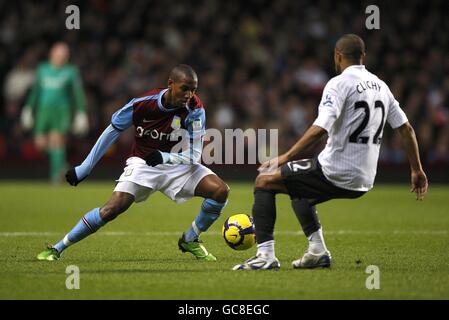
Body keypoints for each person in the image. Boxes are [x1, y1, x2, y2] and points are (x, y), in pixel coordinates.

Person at [233, 34, 428, 271]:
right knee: (298, 189)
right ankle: (317, 252)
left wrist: (285, 156)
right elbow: (406, 129)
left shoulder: (338, 83)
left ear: (337, 56)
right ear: (363, 57)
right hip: (364, 179)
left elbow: (320, 128)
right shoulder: (382, 86)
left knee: (264, 181)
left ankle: (265, 256)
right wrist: (416, 169)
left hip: (335, 171)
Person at [37, 64, 229, 261]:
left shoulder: (195, 109)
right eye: (185, 88)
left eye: (193, 89)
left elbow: (195, 154)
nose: (189, 94)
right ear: (171, 84)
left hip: (177, 163)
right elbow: (113, 130)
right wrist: (85, 168)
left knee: (220, 191)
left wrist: (166, 157)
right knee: (111, 209)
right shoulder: (143, 104)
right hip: (143, 163)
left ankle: (190, 239)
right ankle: (57, 248)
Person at [21, 42, 89, 184]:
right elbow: (36, 91)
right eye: (59, 54)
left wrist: (81, 113)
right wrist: (28, 108)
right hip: (43, 111)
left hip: (61, 111)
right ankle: (61, 163)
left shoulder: (71, 71)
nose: (61, 57)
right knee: (40, 144)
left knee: (57, 141)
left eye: (64, 55)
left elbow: (78, 94)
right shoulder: (42, 69)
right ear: (52, 54)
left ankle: (55, 177)